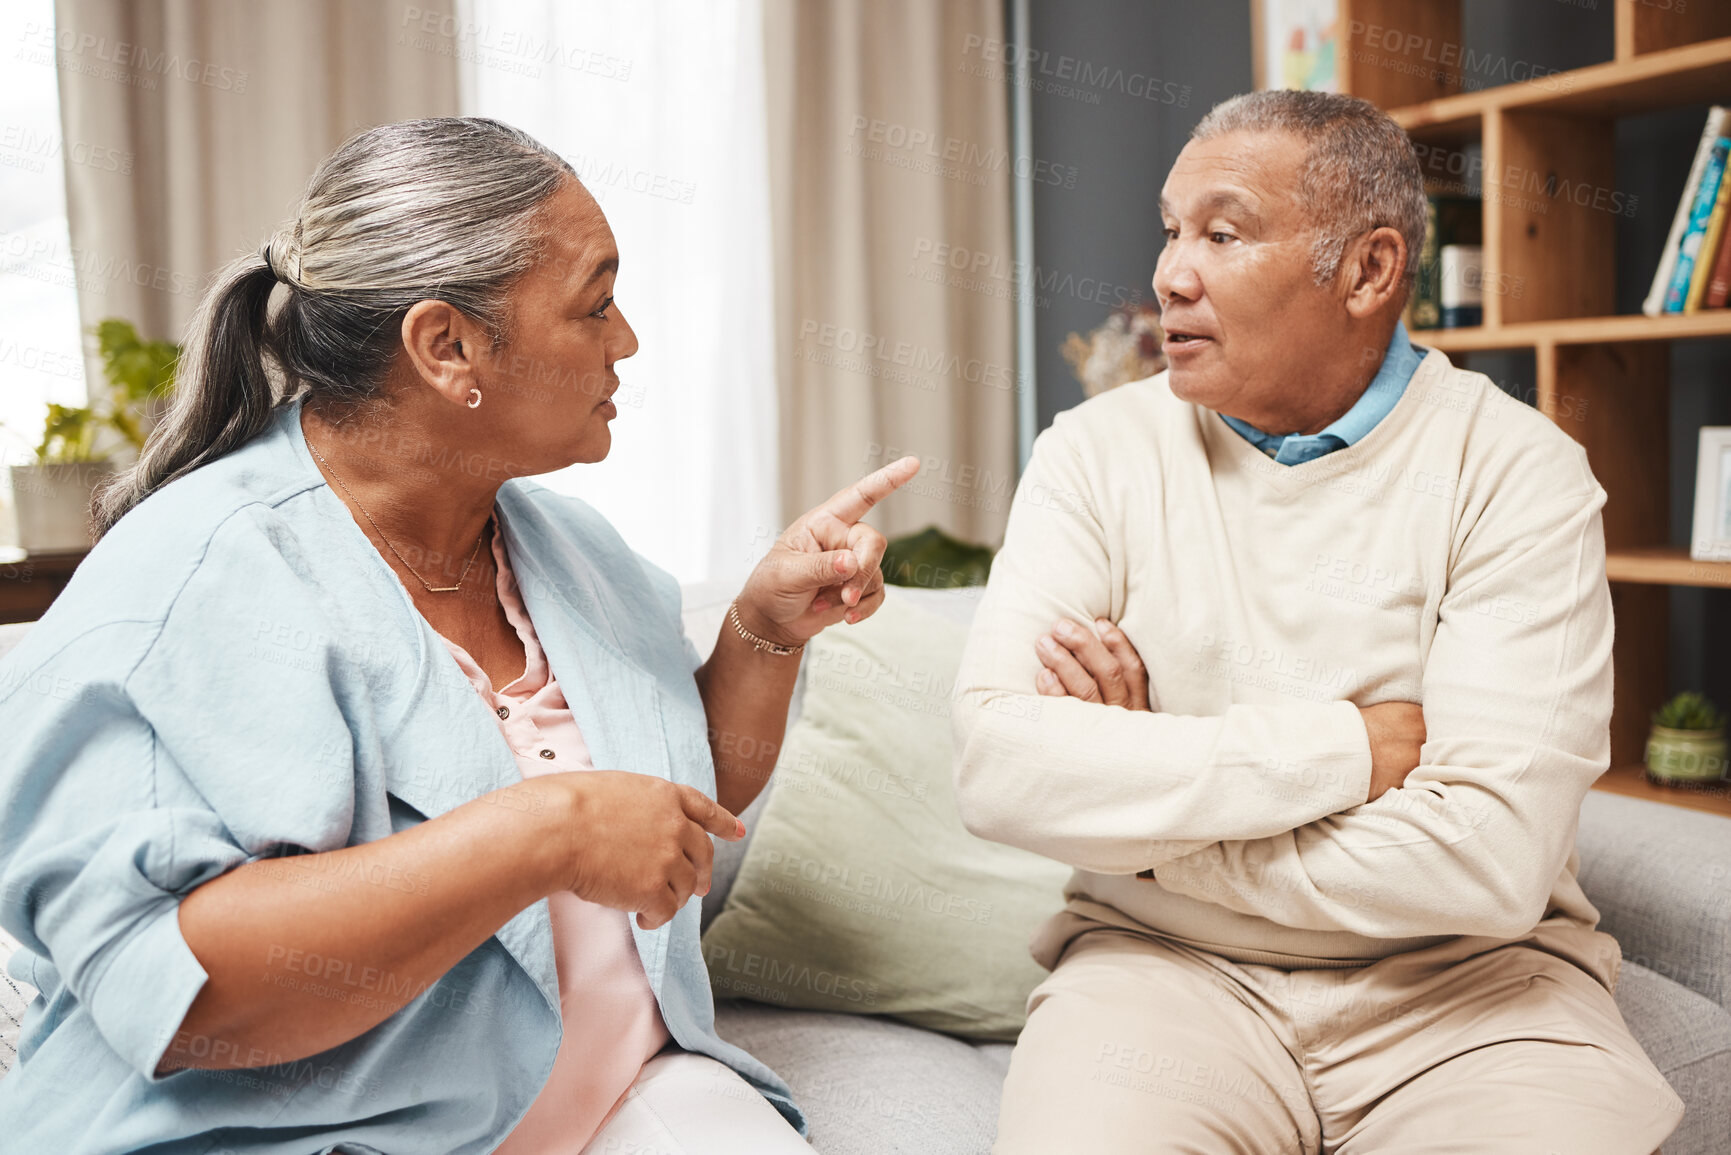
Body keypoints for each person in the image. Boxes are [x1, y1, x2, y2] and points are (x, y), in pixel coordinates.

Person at [0, 116, 917, 1154]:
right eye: (597, 305)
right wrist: (543, 831)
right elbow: (185, 996)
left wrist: (761, 632)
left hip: (614, 1099)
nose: (627, 342)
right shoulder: (190, 583)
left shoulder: (566, 550)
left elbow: (667, 822)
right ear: (447, 347)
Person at [952, 91, 1683, 1154]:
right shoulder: (1092, 452)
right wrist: (1349, 747)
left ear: (1369, 271)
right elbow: (998, 767)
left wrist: (1148, 830)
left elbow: (1488, 860)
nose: (1169, 274)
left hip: (1467, 994)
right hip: (1163, 974)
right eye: (1170, 229)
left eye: (1223, 232)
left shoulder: (1516, 474)